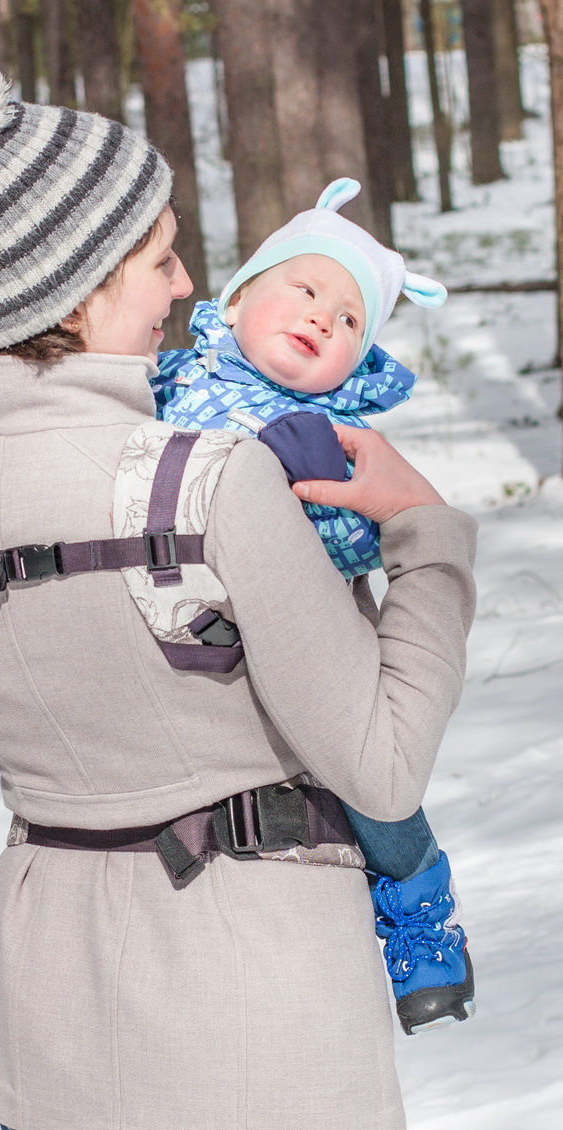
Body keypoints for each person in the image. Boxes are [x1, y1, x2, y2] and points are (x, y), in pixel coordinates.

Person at [0, 44, 477, 1130]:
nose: (185, 284)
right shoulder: (206, 483)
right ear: (76, 287)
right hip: (266, 1059)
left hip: (51, 1052)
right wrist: (427, 536)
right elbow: (381, 770)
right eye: (159, 258)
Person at [154, 189, 474, 1034]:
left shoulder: (321, 429)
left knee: (361, 772)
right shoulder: (165, 377)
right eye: (303, 290)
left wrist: (300, 503)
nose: (320, 320)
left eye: (345, 323)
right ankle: (65, 896)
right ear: (241, 295)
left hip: (309, 635)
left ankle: (416, 900)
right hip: (170, 622)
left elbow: (346, 542)